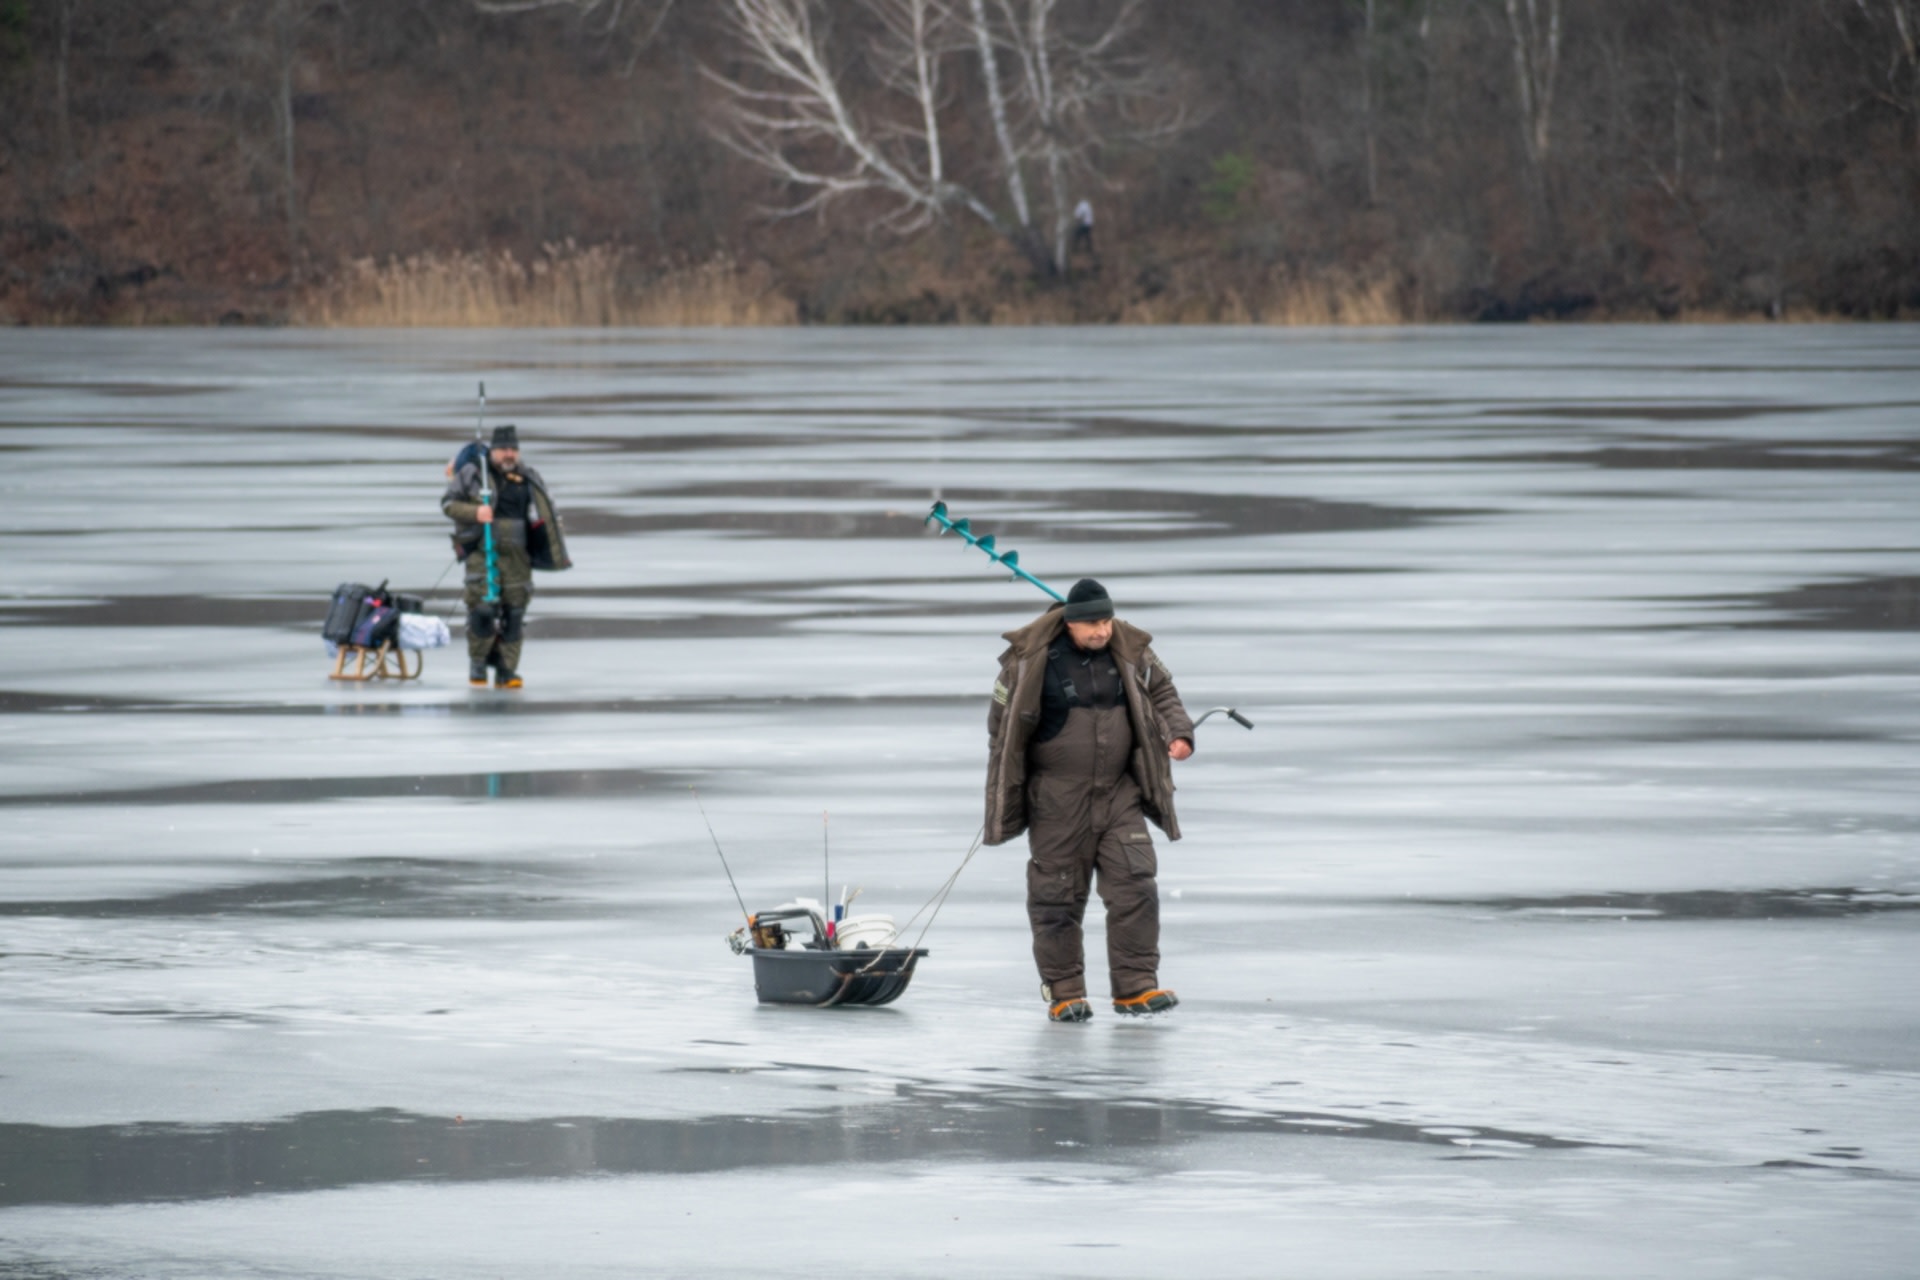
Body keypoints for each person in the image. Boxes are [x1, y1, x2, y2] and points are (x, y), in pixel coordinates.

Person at [984, 578, 1195, 1023]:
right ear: (1070, 624)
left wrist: (1179, 732)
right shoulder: (1030, 660)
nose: (1102, 631)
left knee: (1136, 885)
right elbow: (999, 725)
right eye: (1092, 624)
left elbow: (1163, 693)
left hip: (1120, 792)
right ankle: (1065, 993)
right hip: (1057, 798)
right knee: (1057, 897)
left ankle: (1136, 987)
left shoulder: (1131, 651)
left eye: (1106, 621)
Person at [440, 424, 571, 689]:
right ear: (494, 451)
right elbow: (448, 504)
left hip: (518, 557)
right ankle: (478, 663)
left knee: (514, 612)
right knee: (483, 608)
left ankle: (506, 670)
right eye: (503, 450)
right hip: (483, 552)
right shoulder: (474, 473)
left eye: (513, 449)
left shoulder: (529, 477)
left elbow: (545, 509)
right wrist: (475, 513)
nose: (509, 454)